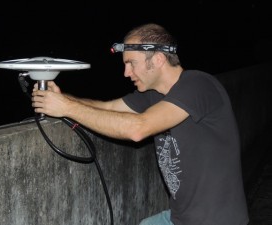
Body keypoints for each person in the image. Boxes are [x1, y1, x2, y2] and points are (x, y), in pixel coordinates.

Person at [32, 23, 249, 225]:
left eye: (131, 63)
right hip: (179, 218)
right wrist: (64, 99)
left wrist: (67, 109)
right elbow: (107, 108)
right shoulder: (153, 95)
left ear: (157, 60)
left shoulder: (198, 85)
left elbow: (138, 129)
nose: (126, 73)